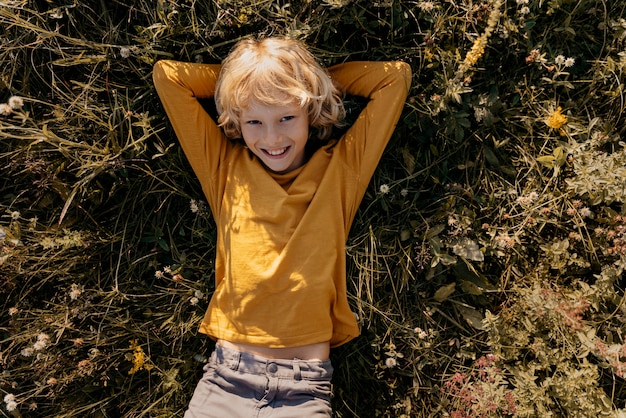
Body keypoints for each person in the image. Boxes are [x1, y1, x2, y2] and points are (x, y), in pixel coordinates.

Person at [152, 36, 411, 417]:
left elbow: (395, 79)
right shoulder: (225, 169)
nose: (271, 138)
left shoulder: (342, 170)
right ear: (238, 122)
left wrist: (305, 83)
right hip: (227, 379)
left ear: (310, 110)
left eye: (286, 117)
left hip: (302, 390)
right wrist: (249, 83)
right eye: (254, 121)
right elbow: (168, 77)